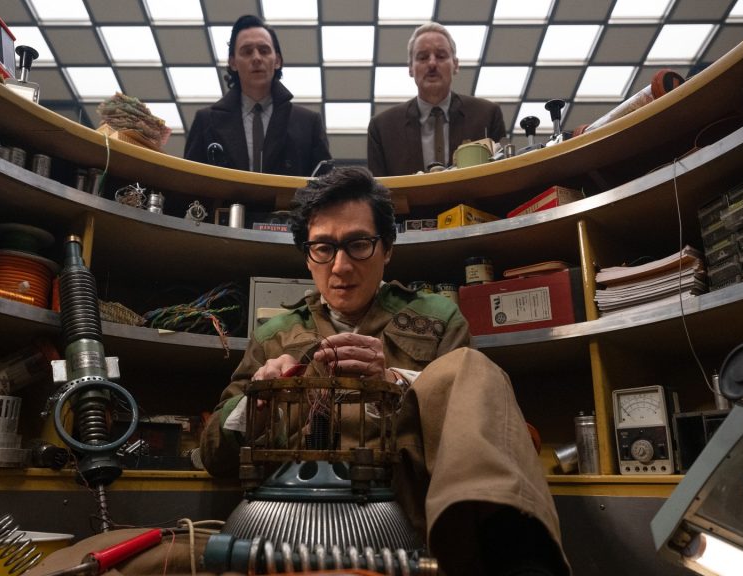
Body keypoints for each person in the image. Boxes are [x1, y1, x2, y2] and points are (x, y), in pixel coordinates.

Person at [200, 166, 570, 576]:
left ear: (388, 249)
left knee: (471, 368)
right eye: (323, 248)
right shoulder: (274, 335)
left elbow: (475, 414)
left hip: (412, 528)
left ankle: (522, 560)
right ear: (307, 255)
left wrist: (394, 382)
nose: (340, 266)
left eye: (358, 244)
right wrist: (258, 402)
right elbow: (214, 455)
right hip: (293, 529)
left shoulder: (437, 318)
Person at [184, 14, 331, 176]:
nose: (256, 58)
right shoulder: (206, 122)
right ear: (233, 62)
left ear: (277, 61)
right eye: (247, 52)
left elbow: (327, 185)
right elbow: (188, 183)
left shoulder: (308, 123)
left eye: (264, 50)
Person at [367, 22, 507, 176]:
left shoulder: (486, 115)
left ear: (455, 65)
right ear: (411, 68)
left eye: (441, 56)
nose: (432, 63)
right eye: (423, 57)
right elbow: (377, 189)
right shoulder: (383, 128)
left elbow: (502, 176)